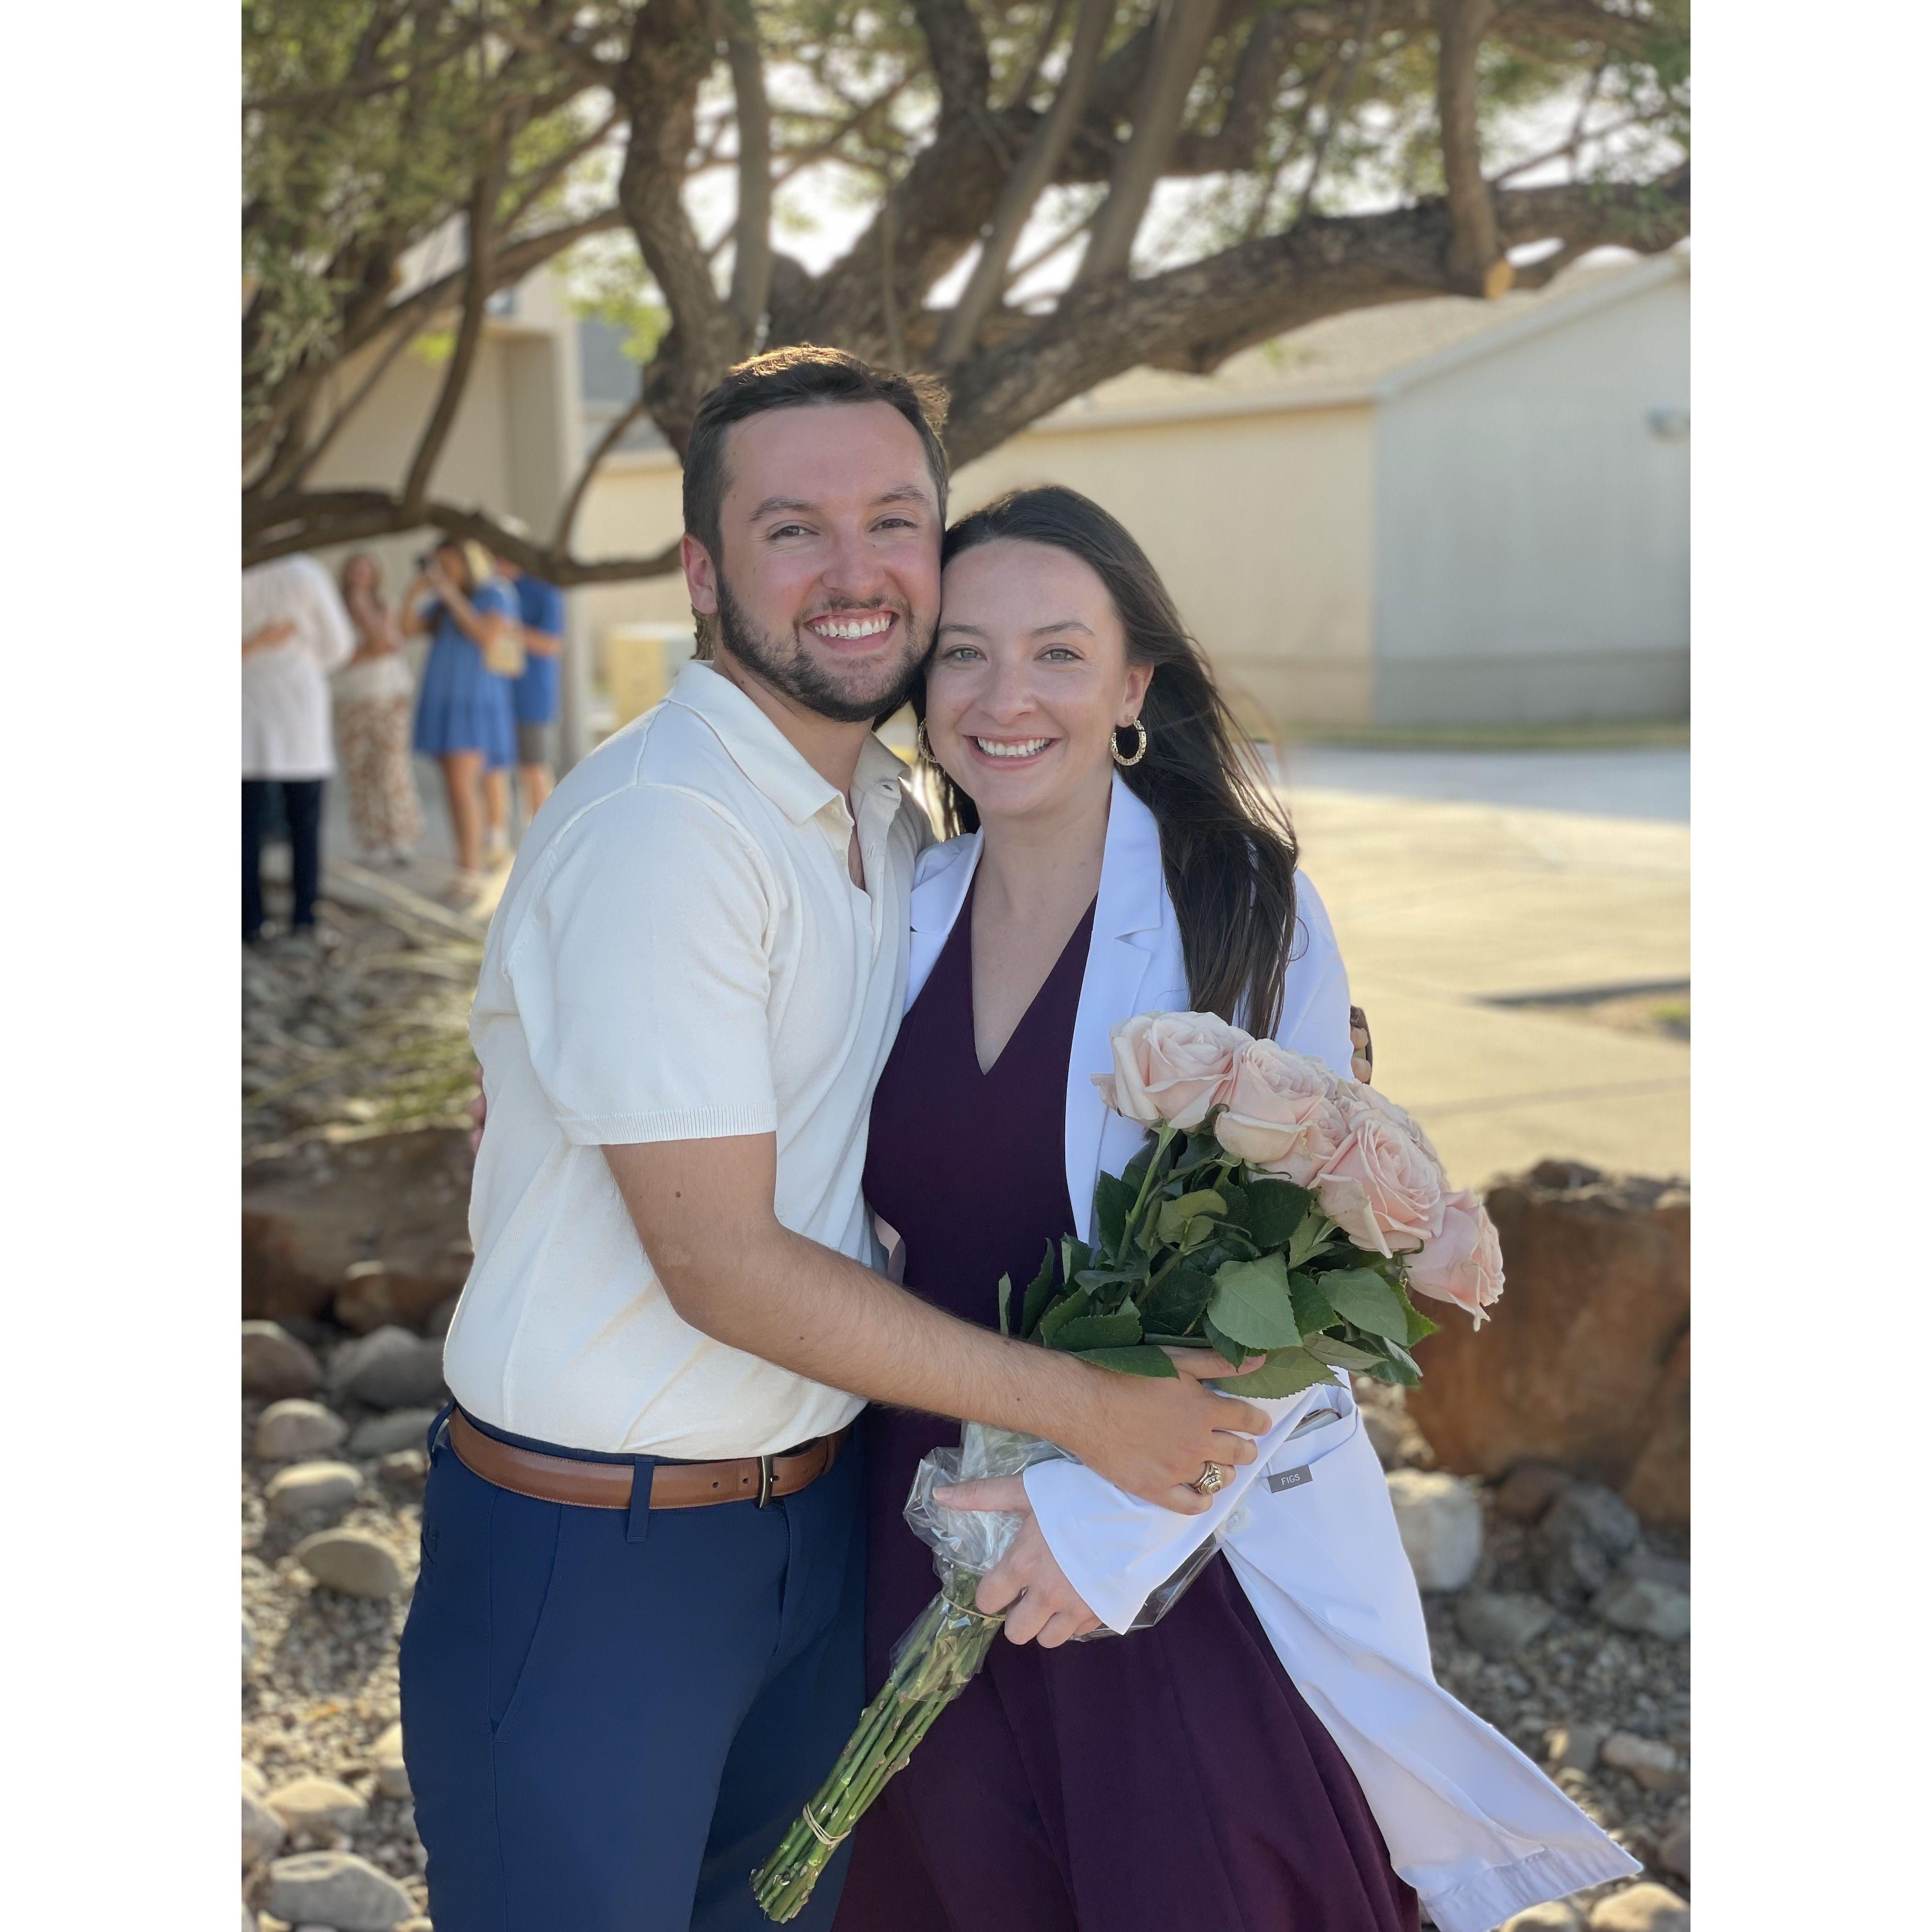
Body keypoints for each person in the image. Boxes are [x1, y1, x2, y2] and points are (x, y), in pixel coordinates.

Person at [398, 351, 1271, 1932]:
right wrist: (1090, 1410)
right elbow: (720, 1262)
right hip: (598, 1548)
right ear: (701, 571)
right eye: (793, 529)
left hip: (814, 1526)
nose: (857, 572)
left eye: (893, 521)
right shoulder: (668, 830)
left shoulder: (890, 818)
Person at [832, 486, 1636, 1932]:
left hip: (1168, 1555)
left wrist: (1094, 1536)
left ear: (1134, 685)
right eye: (963, 653)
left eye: (1059, 653)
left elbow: (1310, 1276)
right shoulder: (889, 907)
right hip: (922, 1517)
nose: (1006, 697)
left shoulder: (1242, 910)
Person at [242, 551, 355, 945]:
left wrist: (255, 649)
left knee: (245, 828)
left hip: (247, 710)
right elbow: (340, 646)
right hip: (299, 710)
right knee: (305, 826)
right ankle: (304, 919)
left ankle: (250, 922)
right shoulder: (305, 572)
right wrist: (297, 656)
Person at [404, 538, 518, 895]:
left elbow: (487, 637)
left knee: (463, 786)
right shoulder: (440, 603)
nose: (442, 570)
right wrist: (415, 591)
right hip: (442, 700)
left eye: (448, 562)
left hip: (473, 701)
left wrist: (451, 595)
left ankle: (470, 871)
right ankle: (468, 866)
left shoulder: (495, 593)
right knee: (454, 788)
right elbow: (406, 629)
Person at [333, 551, 425, 865]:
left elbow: (386, 643)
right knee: (360, 770)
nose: (360, 577)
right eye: (355, 571)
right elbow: (339, 658)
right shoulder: (334, 610)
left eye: (365, 571)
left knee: (392, 768)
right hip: (351, 700)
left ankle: (401, 835)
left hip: (388, 697)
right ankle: (372, 840)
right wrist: (367, 648)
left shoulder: (386, 606)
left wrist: (362, 612)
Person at [492, 517, 567, 823]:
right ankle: (497, 839)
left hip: (531, 693)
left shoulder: (542, 587)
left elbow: (552, 643)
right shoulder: (489, 587)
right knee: (493, 769)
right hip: (493, 692)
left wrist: (507, 630)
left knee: (533, 767)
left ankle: (544, 835)